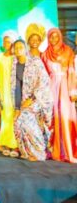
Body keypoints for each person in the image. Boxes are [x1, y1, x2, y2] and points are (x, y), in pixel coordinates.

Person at [12, 39, 53, 161]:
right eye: (16, 47)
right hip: (24, 101)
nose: (18, 48)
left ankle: (39, 152)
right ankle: (27, 151)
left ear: (25, 48)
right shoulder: (15, 64)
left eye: (21, 46)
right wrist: (17, 107)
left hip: (39, 99)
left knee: (26, 120)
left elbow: (44, 81)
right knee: (17, 122)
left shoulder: (35, 61)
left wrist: (32, 98)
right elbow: (16, 87)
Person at [41, 28, 77, 163]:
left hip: (65, 88)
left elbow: (72, 72)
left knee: (65, 117)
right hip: (51, 88)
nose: (54, 39)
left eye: (56, 36)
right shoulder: (45, 54)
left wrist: (73, 91)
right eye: (51, 37)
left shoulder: (68, 51)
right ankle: (56, 150)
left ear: (60, 37)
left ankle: (68, 150)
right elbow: (43, 75)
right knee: (52, 118)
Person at [0, 31, 19, 157]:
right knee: (6, 116)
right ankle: (6, 143)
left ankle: (16, 145)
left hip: (16, 90)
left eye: (9, 41)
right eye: (4, 41)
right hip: (4, 91)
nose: (6, 43)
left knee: (15, 116)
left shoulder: (17, 57)